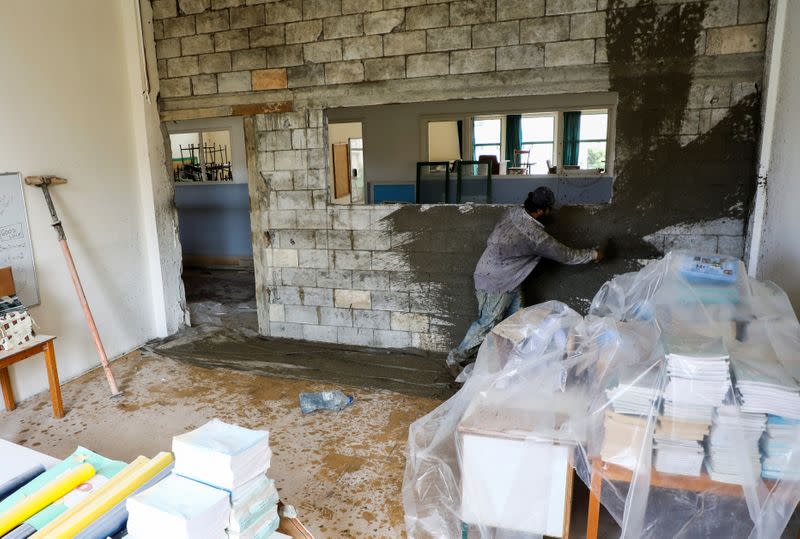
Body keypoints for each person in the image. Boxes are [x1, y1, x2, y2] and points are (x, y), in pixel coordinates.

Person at [446, 187, 603, 376]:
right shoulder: (535, 237)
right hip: (495, 284)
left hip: (506, 279)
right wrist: (593, 254)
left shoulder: (513, 212)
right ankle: (455, 359)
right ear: (539, 211)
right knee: (487, 323)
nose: (550, 213)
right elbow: (566, 255)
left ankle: (509, 365)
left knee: (517, 321)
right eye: (548, 209)